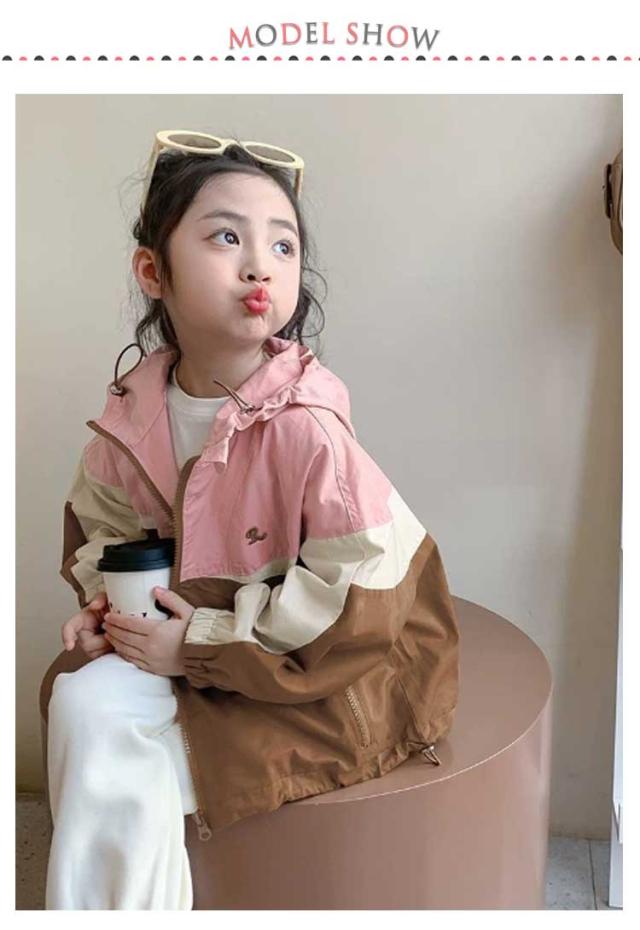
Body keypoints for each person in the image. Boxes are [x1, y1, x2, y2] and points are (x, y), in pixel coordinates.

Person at [43, 131, 460, 910]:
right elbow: (105, 533)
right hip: (206, 642)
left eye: (283, 245)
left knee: (113, 751)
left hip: (322, 664)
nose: (260, 265)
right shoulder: (130, 419)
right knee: (79, 701)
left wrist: (198, 643)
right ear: (153, 272)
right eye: (226, 237)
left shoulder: (307, 428)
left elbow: (352, 596)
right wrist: (112, 610)